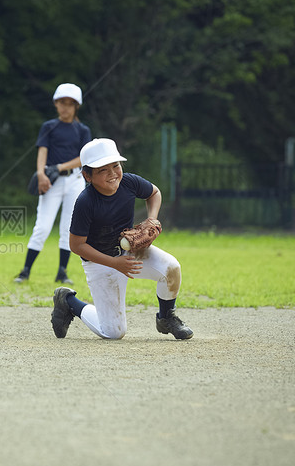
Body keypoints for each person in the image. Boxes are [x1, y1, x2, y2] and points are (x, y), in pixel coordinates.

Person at [51, 138, 193, 340]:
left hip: (131, 251)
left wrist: (152, 218)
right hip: (100, 261)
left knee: (171, 268)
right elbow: (76, 245)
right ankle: (68, 301)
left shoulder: (129, 182)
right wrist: (114, 263)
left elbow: (154, 193)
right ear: (87, 175)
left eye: (115, 165)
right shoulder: (86, 202)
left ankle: (166, 318)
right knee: (113, 332)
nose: (112, 173)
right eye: (102, 169)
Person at [14, 83, 91, 284]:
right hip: (51, 180)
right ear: (56, 104)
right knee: (43, 226)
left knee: (68, 227)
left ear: (76, 106)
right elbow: (42, 151)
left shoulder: (82, 130)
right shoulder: (49, 126)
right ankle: (25, 271)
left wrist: (58, 167)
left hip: (74, 180)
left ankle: (62, 272)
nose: (65, 107)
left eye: (70, 103)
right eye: (61, 103)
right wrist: (41, 174)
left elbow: (84, 158)